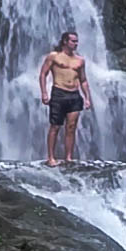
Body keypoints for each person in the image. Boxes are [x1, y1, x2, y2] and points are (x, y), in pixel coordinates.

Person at [38, 31, 92, 166]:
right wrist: (44, 93)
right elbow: (43, 74)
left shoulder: (80, 60)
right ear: (65, 41)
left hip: (74, 94)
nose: (76, 44)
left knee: (71, 127)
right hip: (59, 93)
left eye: (77, 41)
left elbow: (83, 80)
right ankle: (51, 157)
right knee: (55, 126)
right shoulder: (54, 56)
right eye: (73, 41)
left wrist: (87, 98)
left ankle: (68, 157)